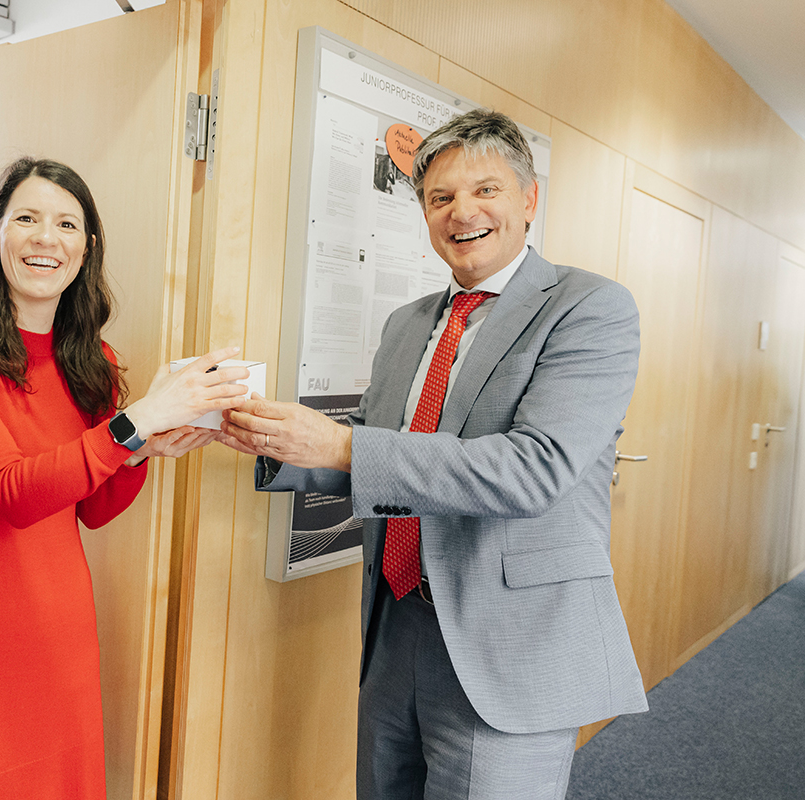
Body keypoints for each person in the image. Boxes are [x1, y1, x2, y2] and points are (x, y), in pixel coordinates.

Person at [219, 109, 648, 799]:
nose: (461, 212)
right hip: (395, 625)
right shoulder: (408, 322)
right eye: (439, 198)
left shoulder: (589, 308)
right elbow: (369, 442)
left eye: (486, 190)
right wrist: (264, 437)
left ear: (529, 199)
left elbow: (533, 469)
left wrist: (344, 442)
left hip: (507, 643)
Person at [0, 157, 249, 799]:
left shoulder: (93, 361)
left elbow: (91, 508)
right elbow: (9, 491)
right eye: (27, 219)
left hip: (54, 641)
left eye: (67, 224)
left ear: (85, 249)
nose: (47, 238)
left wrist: (143, 449)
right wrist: (138, 421)